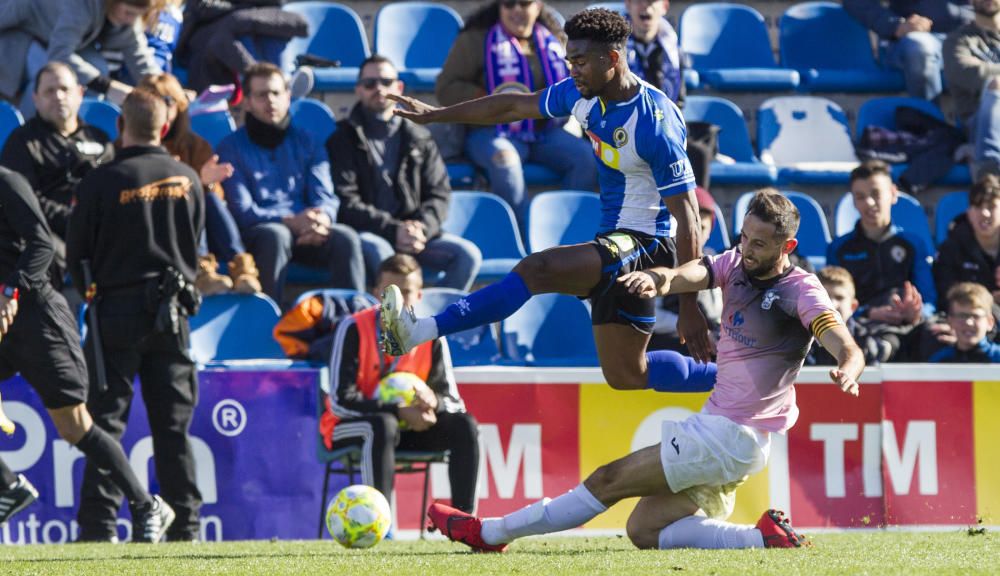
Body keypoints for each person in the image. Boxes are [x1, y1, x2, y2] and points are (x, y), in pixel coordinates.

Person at [426, 190, 864, 552]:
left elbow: (838, 336)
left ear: (787, 247)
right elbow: (695, 272)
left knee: (607, 480)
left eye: (760, 244)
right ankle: (763, 539)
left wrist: (848, 363)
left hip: (733, 435)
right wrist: (660, 279)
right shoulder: (736, 264)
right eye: (744, 238)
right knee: (644, 530)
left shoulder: (800, 290)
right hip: (731, 435)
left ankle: (489, 533)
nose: (747, 250)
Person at [382, 9, 716, 398]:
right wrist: (437, 116)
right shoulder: (581, 92)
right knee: (627, 373)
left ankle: (419, 330)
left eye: (580, 61)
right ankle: (732, 380)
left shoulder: (655, 123)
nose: (572, 70)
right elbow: (510, 106)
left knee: (536, 268)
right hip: (615, 239)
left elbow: (690, 220)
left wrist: (689, 304)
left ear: (612, 59)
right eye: (568, 60)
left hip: (645, 244)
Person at [0, 167, 173, 541]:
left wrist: (10, 290)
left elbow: (41, 244)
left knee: (73, 425)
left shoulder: (9, 182)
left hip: (37, 317)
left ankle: (146, 505)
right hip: (3, 321)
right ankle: (9, 486)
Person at [66, 89, 204, 542]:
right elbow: (195, 244)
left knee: (105, 422)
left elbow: (76, 254)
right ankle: (186, 527)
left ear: (121, 127)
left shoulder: (100, 181)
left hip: (116, 313)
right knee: (173, 429)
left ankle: (98, 527)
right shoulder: (188, 177)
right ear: (164, 128)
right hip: (173, 315)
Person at [320, 254, 480, 514]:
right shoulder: (352, 328)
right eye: (389, 292)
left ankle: (465, 521)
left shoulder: (432, 335)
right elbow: (339, 403)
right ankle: (379, 522)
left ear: (419, 296)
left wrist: (433, 403)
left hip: (412, 428)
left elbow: (452, 401)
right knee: (383, 424)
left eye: (406, 292)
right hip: (347, 428)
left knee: (465, 425)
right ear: (375, 294)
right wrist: (397, 411)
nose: (397, 301)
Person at [328, 55, 482, 292]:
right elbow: (346, 201)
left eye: (386, 81)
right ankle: (391, 326)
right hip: (373, 233)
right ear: (358, 90)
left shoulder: (419, 136)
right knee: (385, 256)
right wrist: (393, 229)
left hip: (415, 235)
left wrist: (421, 228)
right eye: (370, 84)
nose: (379, 88)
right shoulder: (342, 138)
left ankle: (432, 319)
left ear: (399, 87)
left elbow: (440, 193)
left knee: (467, 255)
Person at [435, 0, 597, 219]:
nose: (516, 10)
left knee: (586, 159)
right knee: (506, 163)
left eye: (524, 3)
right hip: (491, 130)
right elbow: (446, 88)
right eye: (509, 4)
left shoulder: (554, 40)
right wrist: (488, 98)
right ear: (499, 8)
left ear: (538, 6)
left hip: (545, 132)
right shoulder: (475, 40)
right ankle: (521, 238)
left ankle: (566, 231)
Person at [217, 63, 364, 304]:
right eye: (262, 95)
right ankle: (267, 322)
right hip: (262, 234)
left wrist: (322, 219)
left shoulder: (309, 141)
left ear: (287, 96)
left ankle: (354, 324)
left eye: (276, 93)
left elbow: (324, 195)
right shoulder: (230, 148)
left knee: (345, 237)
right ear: (247, 102)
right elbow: (242, 212)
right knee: (276, 235)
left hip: (308, 231)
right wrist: (290, 222)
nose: (270, 101)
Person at [136, 72, 262, 295]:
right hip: (154, 226)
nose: (163, 110)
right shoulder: (132, 145)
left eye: (168, 102)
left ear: (180, 107)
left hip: (196, 226)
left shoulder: (195, 146)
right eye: (154, 102)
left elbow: (219, 200)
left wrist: (208, 184)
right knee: (192, 195)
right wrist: (194, 184)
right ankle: (202, 270)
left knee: (208, 197)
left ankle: (241, 267)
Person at [0, 62, 113, 280]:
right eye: (49, 91)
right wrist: (76, 221)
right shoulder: (23, 142)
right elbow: (24, 202)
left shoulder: (100, 139)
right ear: (36, 99)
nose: (58, 96)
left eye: (64, 89)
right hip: (50, 233)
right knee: (46, 251)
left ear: (80, 93)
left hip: (100, 229)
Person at [0, 0, 162, 116]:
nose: (131, 20)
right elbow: (59, 54)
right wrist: (109, 87)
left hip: (54, 40)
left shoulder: (126, 18)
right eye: (128, 13)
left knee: (98, 69)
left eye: (137, 16)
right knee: (49, 79)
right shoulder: (81, 5)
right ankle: (29, 133)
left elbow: (139, 57)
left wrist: (166, 89)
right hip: (21, 33)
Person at [827, 160, 937, 326]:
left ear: (893, 194)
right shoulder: (839, 248)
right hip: (860, 328)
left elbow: (929, 300)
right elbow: (830, 303)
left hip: (908, 328)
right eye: (860, 197)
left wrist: (916, 313)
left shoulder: (913, 244)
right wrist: (867, 313)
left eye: (876, 194)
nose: (869, 203)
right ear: (854, 202)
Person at [622, 0, 714, 190]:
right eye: (638, 1)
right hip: (624, 127)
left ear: (664, 7)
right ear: (628, 5)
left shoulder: (672, 49)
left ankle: (697, 215)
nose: (645, 7)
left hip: (662, 126)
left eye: (651, 2)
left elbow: (678, 100)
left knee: (698, 153)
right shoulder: (614, 46)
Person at [844, 0, 973, 102]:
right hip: (919, 37)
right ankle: (930, 127)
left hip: (974, 37)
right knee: (920, 47)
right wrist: (895, 25)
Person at [650, 187, 722, 352]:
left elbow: (717, 312)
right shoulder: (660, 259)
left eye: (701, 228)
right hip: (672, 339)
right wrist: (695, 331)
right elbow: (652, 317)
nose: (694, 235)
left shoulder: (713, 260)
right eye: (688, 227)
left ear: (710, 231)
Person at [943, 0, 1000, 179]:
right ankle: (990, 169)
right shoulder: (957, 40)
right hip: (980, 124)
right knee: (996, 85)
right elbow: (968, 73)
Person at [808, 265, 902, 365]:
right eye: (824, 296)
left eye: (839, 298)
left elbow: (890, 344)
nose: (832, 304)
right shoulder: (799, 336)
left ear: (853, 306)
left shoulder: (866, 337)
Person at [933, 174, 1000, 307]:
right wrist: (988, 301)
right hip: (969, 320)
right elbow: (945, 297)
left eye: (991, 207)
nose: (984, 213)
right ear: (968, 212)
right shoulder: (951, 249)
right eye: (978, 207)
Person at [929, 282, 1000, 361]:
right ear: (950, 321)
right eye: (961, 316)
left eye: (975, 316)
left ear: (990, 322)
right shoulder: (941, 361)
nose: (968, 322)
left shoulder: (997, 357)